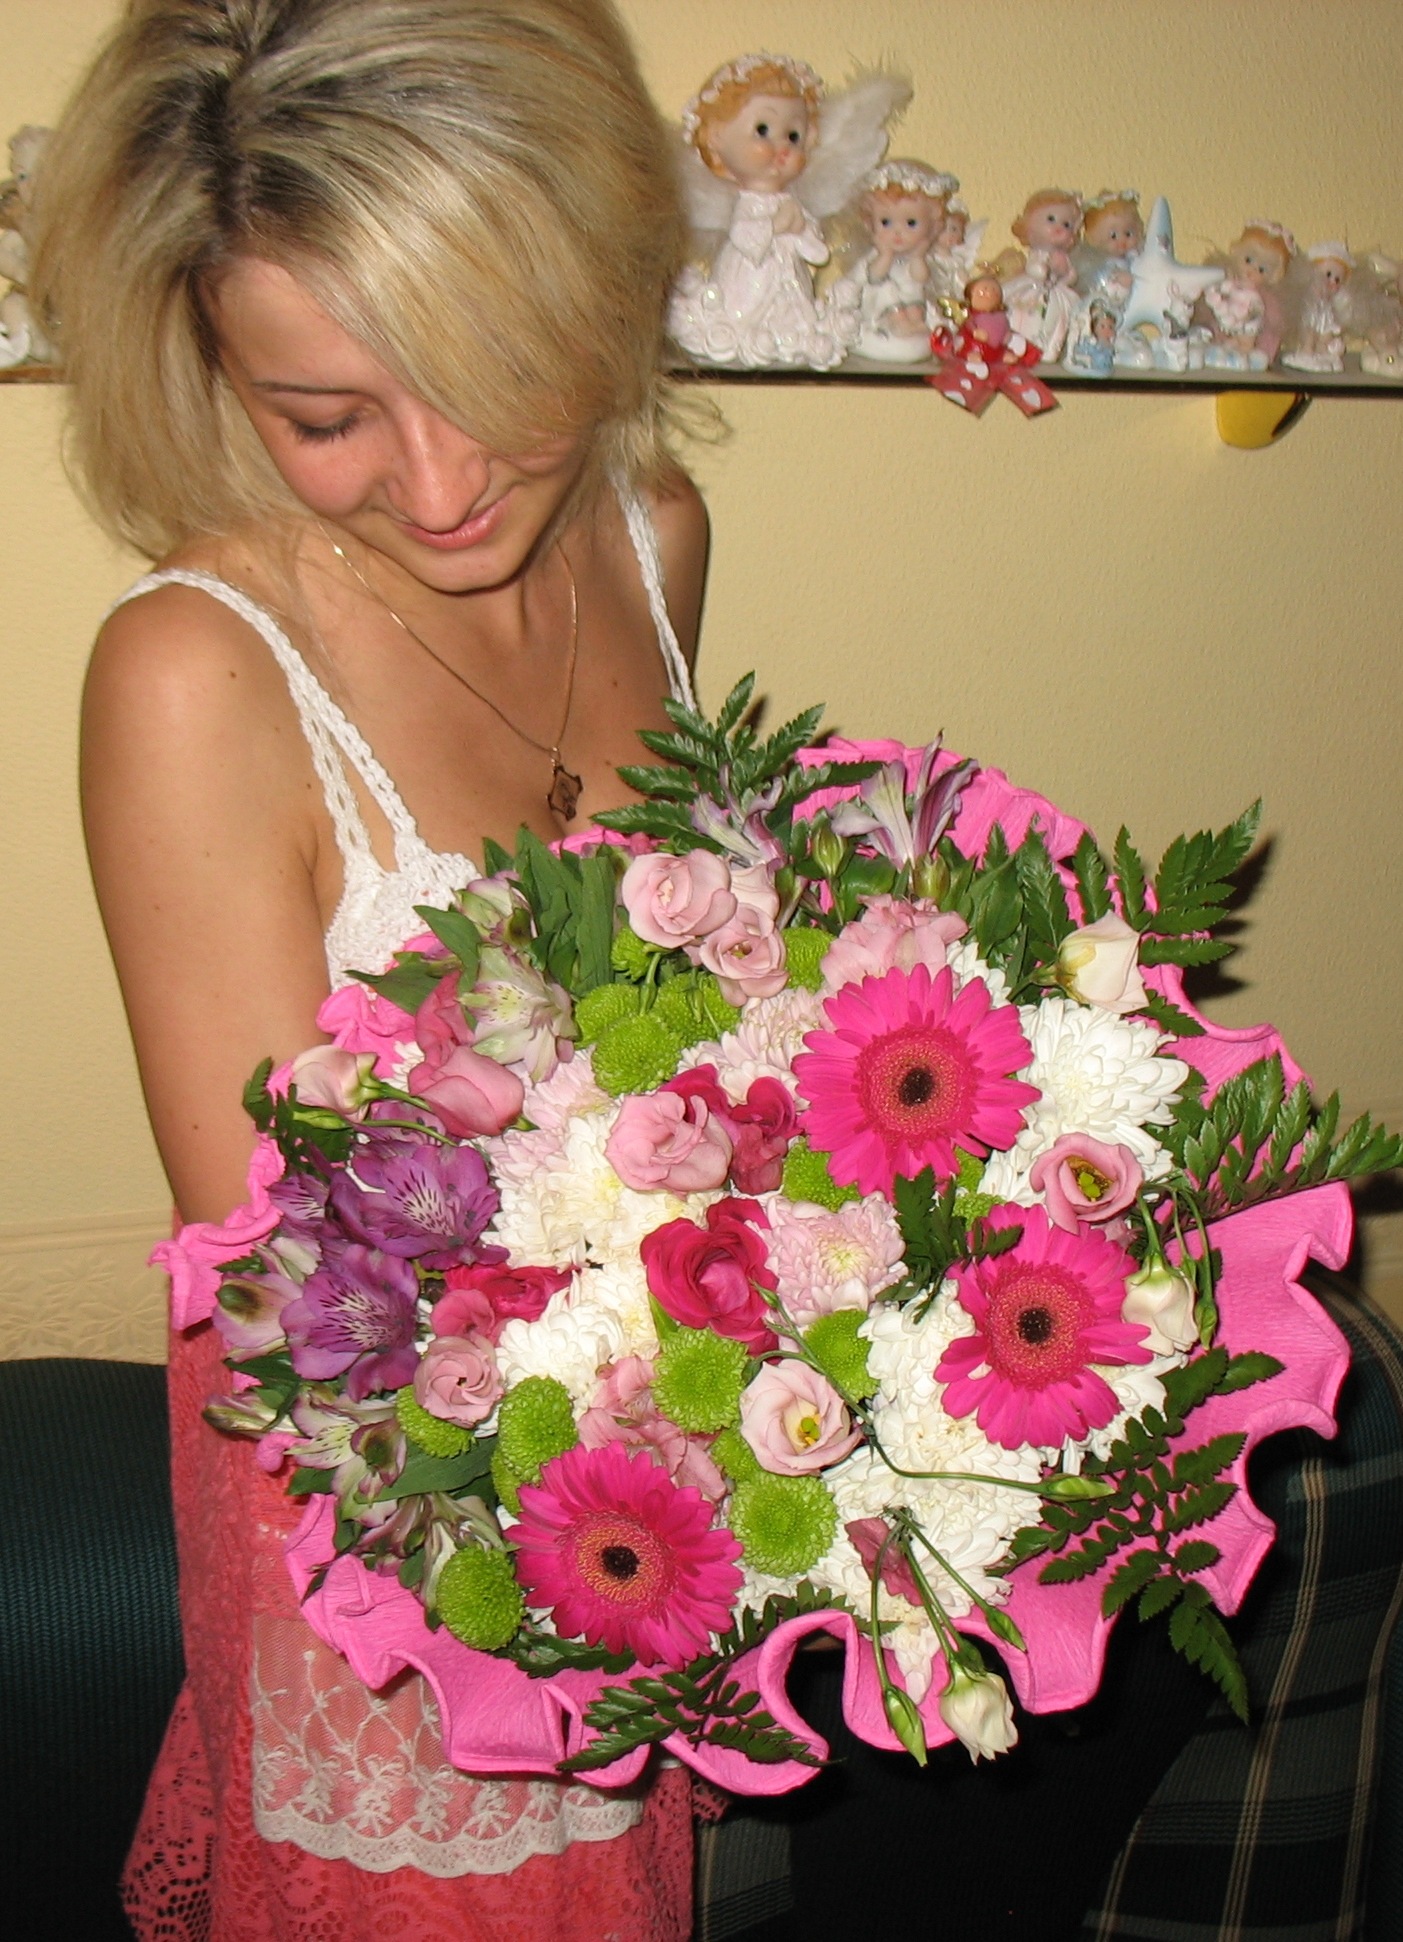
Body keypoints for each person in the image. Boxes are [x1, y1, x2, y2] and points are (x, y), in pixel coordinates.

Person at [28, 3, 708, 1937]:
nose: (437, 482)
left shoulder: (653, 535)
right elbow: (286, 1303)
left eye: (495, 372)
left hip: (665, 1468)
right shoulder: (195, 673)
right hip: (391, 1522)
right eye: (326, 417)